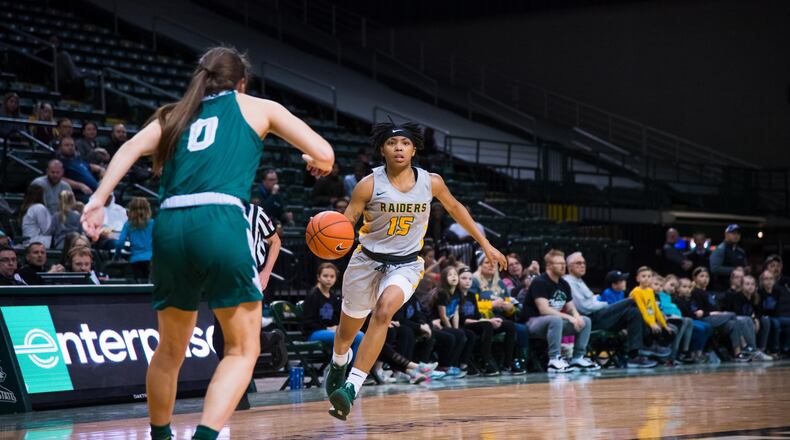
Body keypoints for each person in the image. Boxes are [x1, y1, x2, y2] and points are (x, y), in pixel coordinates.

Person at [80, 46, 334, 440]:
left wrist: (98, 199)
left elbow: (129, 147)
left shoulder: (174, 114)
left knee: (169, 351)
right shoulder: (256, 106)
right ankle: (203, 437)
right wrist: (314, 161)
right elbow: (325, 154)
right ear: (241, 82)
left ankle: (162, 436)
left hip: (170, 223)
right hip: (218, 219)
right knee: (242, 349)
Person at [323, 120, 507, 421]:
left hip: (406, 263)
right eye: (393, 143)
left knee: (383, 312)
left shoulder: (431, 182)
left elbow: (456, 208)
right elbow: (345, 226)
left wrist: (485, 244)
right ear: (382, 149)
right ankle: (338, 363)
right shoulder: (368, 184)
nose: (399, 148)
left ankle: (351, 388)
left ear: (414, 149)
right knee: (345, 334)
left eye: (405, 143)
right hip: (366, 261)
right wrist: (331, 242)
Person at [564, 253, 656, 368]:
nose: (583, 265)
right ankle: (649, 343)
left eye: (584, 263)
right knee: (632, 300)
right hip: (590, 319)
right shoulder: (569, 281)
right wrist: (603, 304)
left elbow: (591, 300)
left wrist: (596, 300)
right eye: (578, 263)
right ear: (569, 266)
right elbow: (584, 307)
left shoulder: (579, 281)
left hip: (600, 316)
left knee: (634, 313)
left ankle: (634, 356)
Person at [522, 249, 598, 373]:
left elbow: (571, 307)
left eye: (564, 263)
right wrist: (569, 317)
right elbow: (544, 309)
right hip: (533, 322)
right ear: (549, 266)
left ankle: (578, 358)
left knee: (586, 321)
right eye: (559, 264)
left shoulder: (564, 284)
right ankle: (554, 359)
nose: (563, 266)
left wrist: (577, 317)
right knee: (556, 319)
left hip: (555, 323)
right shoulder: (540, 282)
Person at [302, 263, 364, 360]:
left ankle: (348, 369)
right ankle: (347, 370)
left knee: (358, 335)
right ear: (318, 277)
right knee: (355, 336)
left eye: (332, 276)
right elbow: (308, 322)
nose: (329, 279)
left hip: (330, 332)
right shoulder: (313, 296)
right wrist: (327, 328)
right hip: (313, 333)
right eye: (325, 276)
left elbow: (336, 318)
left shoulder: (333, 297)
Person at [689, 266, 750, 362]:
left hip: (715, 319)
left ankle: (738, 353)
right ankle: (744, 344)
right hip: (705, 319)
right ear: (695, 278)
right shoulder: (695, 292)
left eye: (707, 276)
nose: (705, 279)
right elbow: (697, 312)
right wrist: (711, 313)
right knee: (732, 315)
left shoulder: (708, 293)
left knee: (734, 324)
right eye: (702, 276)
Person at [423, 266, 469, 377]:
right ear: (444, 278)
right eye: (450, 275)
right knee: (455, 335)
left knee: (463, 334)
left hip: (446, 323)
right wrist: (452, 329)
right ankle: (445, 366)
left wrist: (455, 328)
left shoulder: (458, 292)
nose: (453, 277)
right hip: (435, 323)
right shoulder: (442, 293)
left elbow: (456, 313)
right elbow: (443, 315)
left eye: (455, 274)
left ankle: (454, 365)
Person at [724, 274, 773, 360]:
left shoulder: (755, 297)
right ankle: (753, 350)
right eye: (747, 284)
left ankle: (762, 348)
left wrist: (756, 319)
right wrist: (753, 319)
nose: (750, 286)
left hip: (747, 320)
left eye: (752, 284)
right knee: (747, 320)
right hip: (734, 320)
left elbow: (759, 312)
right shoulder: (737, 297)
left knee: (765, 320)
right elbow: (737, 314)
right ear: (742, 286)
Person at [113, 197, 155, 282]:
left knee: (139, 288)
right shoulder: (153, 223)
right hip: (151, 259)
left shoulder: (128, 225)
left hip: (135, 260)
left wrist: (116, 257)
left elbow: (120, 243)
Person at [657, 275, 695, 363]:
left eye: (675, 287)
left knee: (689, 320)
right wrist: (671, 314)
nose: (673, 288)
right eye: (671, 285)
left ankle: (684, 351)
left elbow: (676, 310)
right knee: (684, 321)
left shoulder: (669, 297)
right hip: (665, 318)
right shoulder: (659, 295)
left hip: (674, 318)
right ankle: (673, 355)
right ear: (664, 283)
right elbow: (662, 308)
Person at [674, 277, 713, 362]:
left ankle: (699, 351)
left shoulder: (691, 299)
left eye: (689, 287)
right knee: (701, 328)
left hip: (693, 319)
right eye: (684, 287)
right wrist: (696, 314)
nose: (687, 289)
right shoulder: (677, 300)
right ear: (678, 289)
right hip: (686, 320)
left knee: (708, 327)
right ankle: (691, 352)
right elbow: (686, 313)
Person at [759, 270, 790, 355]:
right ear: (762, 281)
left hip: (775, 316)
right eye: (766, 279)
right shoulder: (759, 292)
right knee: (776, 323)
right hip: (764, 317)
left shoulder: (777, 291)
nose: (769, 281)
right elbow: (760, 310)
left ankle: (787, 347)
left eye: (771, 279)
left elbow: (777, 309)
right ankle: (775, 349)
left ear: (774, 280)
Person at [710, 224, 748, 290]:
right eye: (733, 233)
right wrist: (735, 270)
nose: (736, 235)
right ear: (726, 234)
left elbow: (744, 267)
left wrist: (746, 269)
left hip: (739, 287)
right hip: (722, 287)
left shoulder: (741, 251)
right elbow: (714, 268)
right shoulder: (720, 249)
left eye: (738, 233)